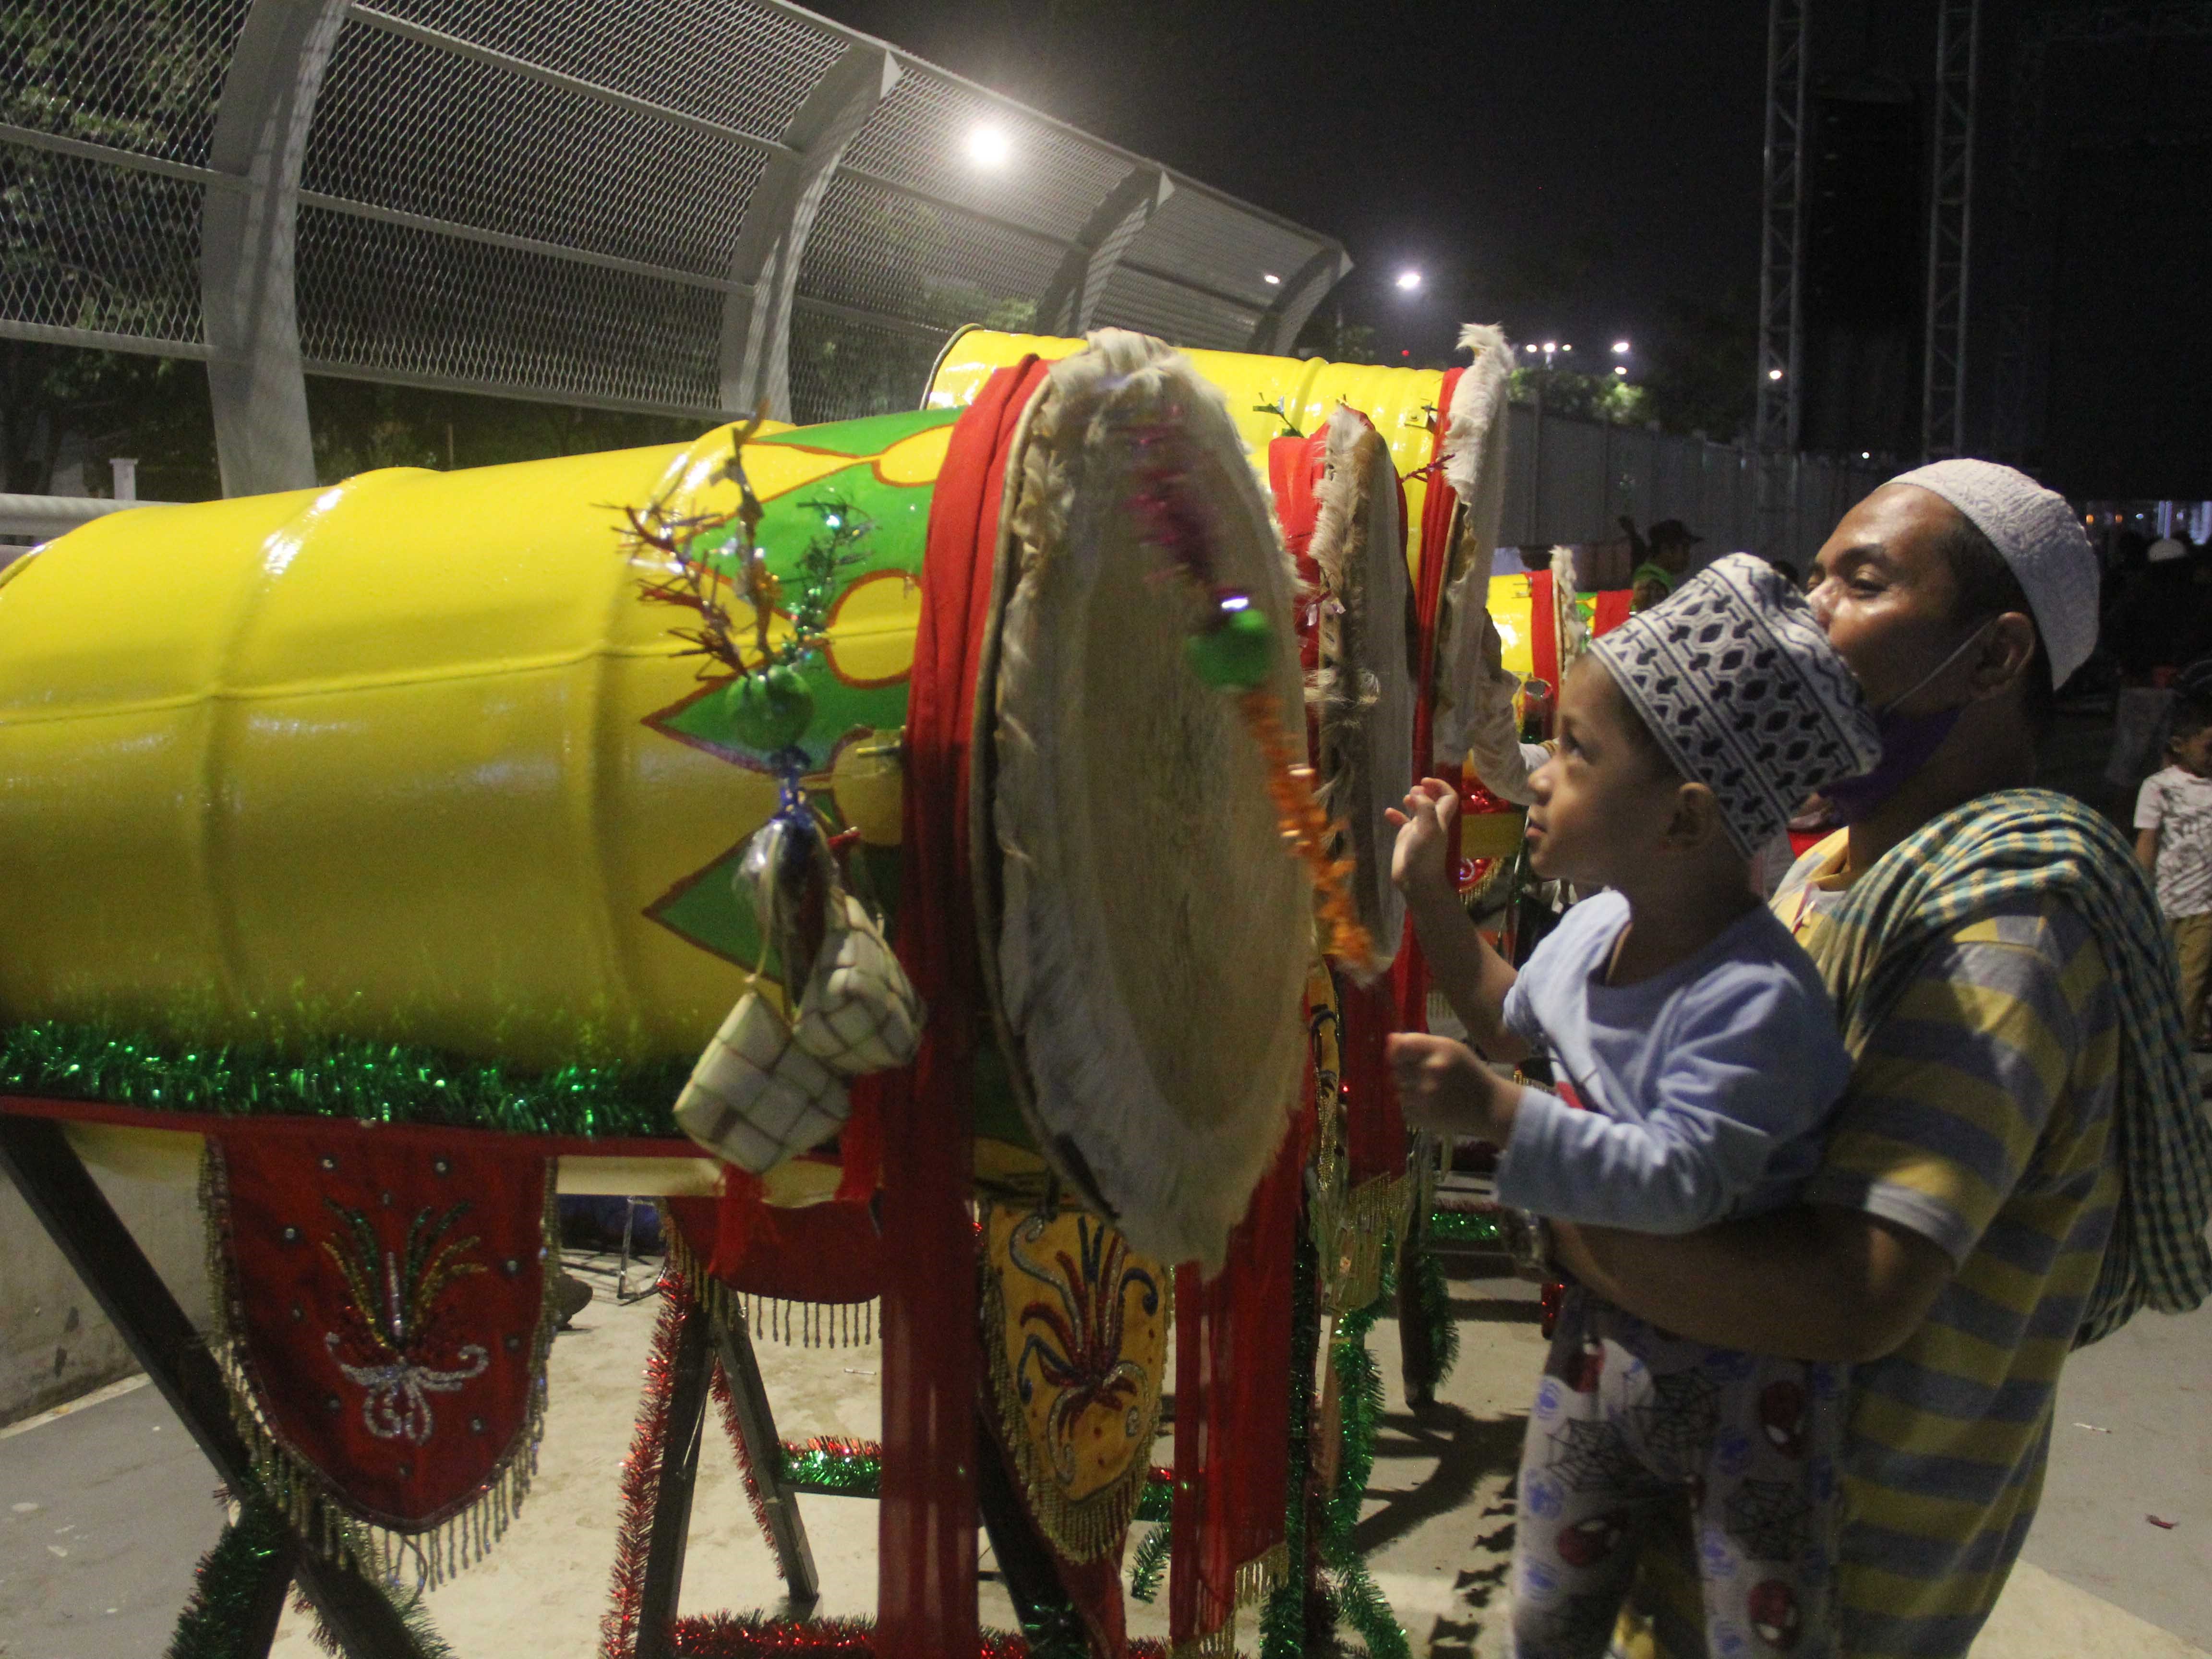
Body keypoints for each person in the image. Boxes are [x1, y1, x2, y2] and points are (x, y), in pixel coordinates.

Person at [1542, 460, 2212, 1659]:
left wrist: (1565, 1199)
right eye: (1812, 576)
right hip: (1713, 1502)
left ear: (1998, 657)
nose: (1811, 615)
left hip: (1836, 1563)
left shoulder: (2005, 924)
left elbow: (1848, 1292)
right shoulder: (1831, 861)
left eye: (1862, 581)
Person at [1388, 554, 1883, 1659]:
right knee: (1550, 1610)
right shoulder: (1589, 929)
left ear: (1681, 819)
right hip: (1596, 1345)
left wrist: (1501, 1114)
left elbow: (1679, 1183)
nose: (1538, 772)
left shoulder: (1753, 998)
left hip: (1750, 1385)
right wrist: (1427, 893)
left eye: (1573, 748)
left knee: (1755, 1622)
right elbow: (1509, 1015)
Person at [2135, 697, 2212, 1050]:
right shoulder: (2159, 786)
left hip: (2205, 904)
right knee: (2163, 978)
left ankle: (2178, 1059)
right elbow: (2148, 839)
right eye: (2209, 748)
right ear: (2181, 746)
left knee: (2191, 982)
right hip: (2168, 899)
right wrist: (2139, 886)